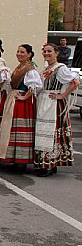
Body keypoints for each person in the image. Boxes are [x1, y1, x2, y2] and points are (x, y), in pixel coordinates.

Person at [33, 43, 79, 176]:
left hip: (53, 103)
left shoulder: (60, 68)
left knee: (52, 133)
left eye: (49, 51)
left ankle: (49, 164)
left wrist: (62, 95)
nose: (46, 53)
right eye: (44, 51)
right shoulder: (47, 68)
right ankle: (46, 164)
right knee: (42, 131)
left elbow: (75, 82)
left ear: (56, 53)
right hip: (43, 102)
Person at [0, 44, 42, 169]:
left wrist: (24, 97)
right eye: (18, 51)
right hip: (14, 99)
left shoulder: (30, 69)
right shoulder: (20, 67)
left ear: (29, 54)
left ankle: (21, 160)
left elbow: (35, 86)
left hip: (21, 102)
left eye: (22, 52)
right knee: (11, 128)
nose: (19, 54)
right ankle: (14, 158)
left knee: (20, 129)